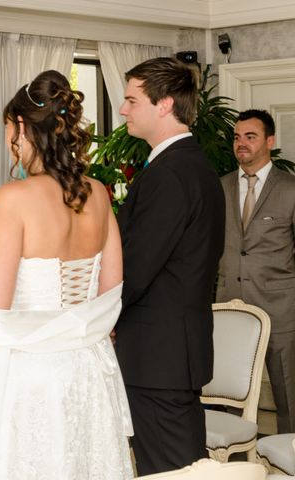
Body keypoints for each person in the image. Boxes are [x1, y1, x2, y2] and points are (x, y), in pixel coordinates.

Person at [0, 70, 133, 479]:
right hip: (88, 367)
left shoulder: (13, 199)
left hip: (30, 374)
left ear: (21, 127)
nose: (7, 141)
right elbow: (111, 295)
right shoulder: (98, 194)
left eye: (7, 129)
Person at [114, 57, 225, 475]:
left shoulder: (171, 173)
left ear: (163, 104)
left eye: (130, 100)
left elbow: (137, 267)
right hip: (170, 353)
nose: (123, 110)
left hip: (157, 357)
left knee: (169, 472)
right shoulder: (192, 165)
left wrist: (96, 317)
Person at [217, 109, 295, 433]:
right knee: (226, 397)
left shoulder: (290, 189)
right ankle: (232, 465)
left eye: (250, 136)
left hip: (280, 310)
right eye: (237, 137)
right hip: (229, 307)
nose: (241, 144)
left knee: (288, 397)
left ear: (270, 141)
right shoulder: (219, 187)